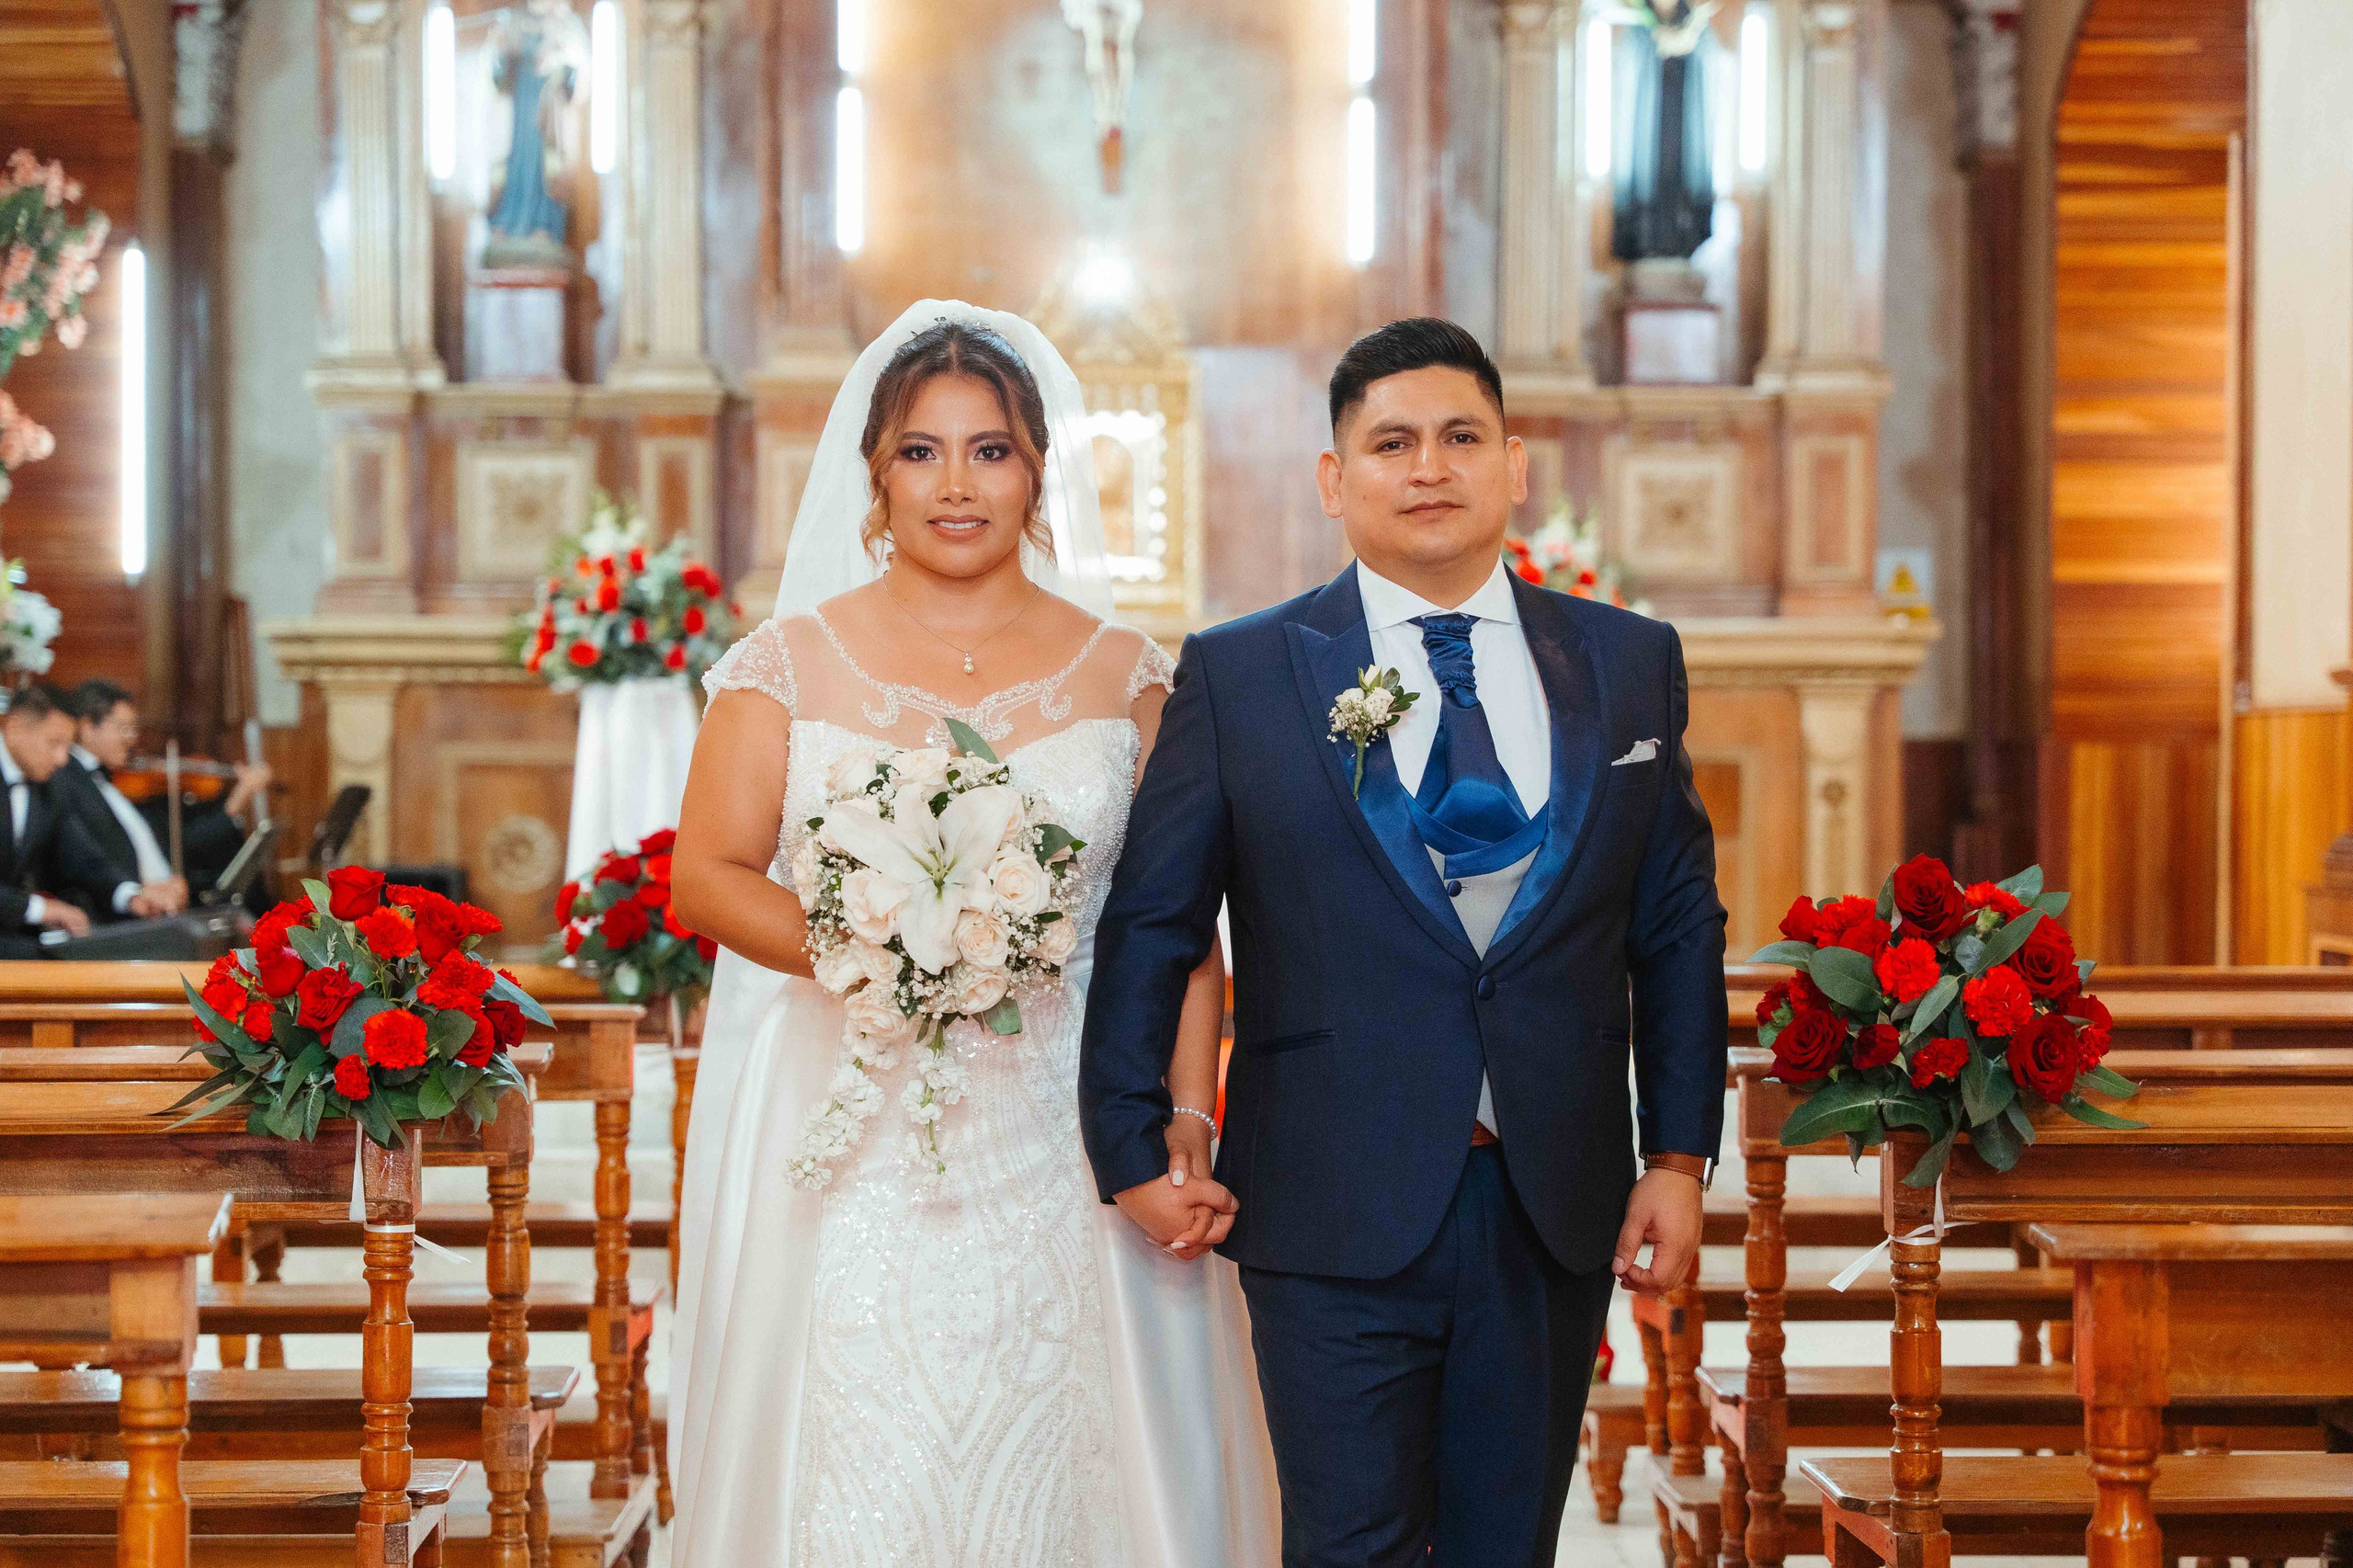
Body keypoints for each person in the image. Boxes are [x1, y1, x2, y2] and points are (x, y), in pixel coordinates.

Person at [1080, 317, 1728, 1567]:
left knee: (1507, 1547)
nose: (1428, 465)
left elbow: (1675, 922)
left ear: (1514, 462)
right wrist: (1126, 1142)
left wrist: (1682, 1153)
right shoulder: (1245, 674)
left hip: (1549, 1195)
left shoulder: (1628, 664)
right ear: (1336, 479)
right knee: (1350, 1546)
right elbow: (1157, 920)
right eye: (1391, 442)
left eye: (1459, 436)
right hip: (1328, 1198)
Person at [666, 301, 1279, 1566]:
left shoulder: (1131, 675)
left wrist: (1185, 1118)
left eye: (990, 450)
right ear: (875, 476)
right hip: (851, 1117)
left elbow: (1182, 932)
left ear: (1039, 471)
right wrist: (877, 943)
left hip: (1071, 1121)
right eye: (922, 452)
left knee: (1069, 1448)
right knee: (858, 1450)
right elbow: (710, 878)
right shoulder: (782, 664)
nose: (958, 484)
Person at [0, 684, 92, 954]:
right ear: (15, 728)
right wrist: (39, 909)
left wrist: (130, 895)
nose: (62, 759)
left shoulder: (50, 787)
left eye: (68, 746)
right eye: (54, 743)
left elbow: (79, 855)